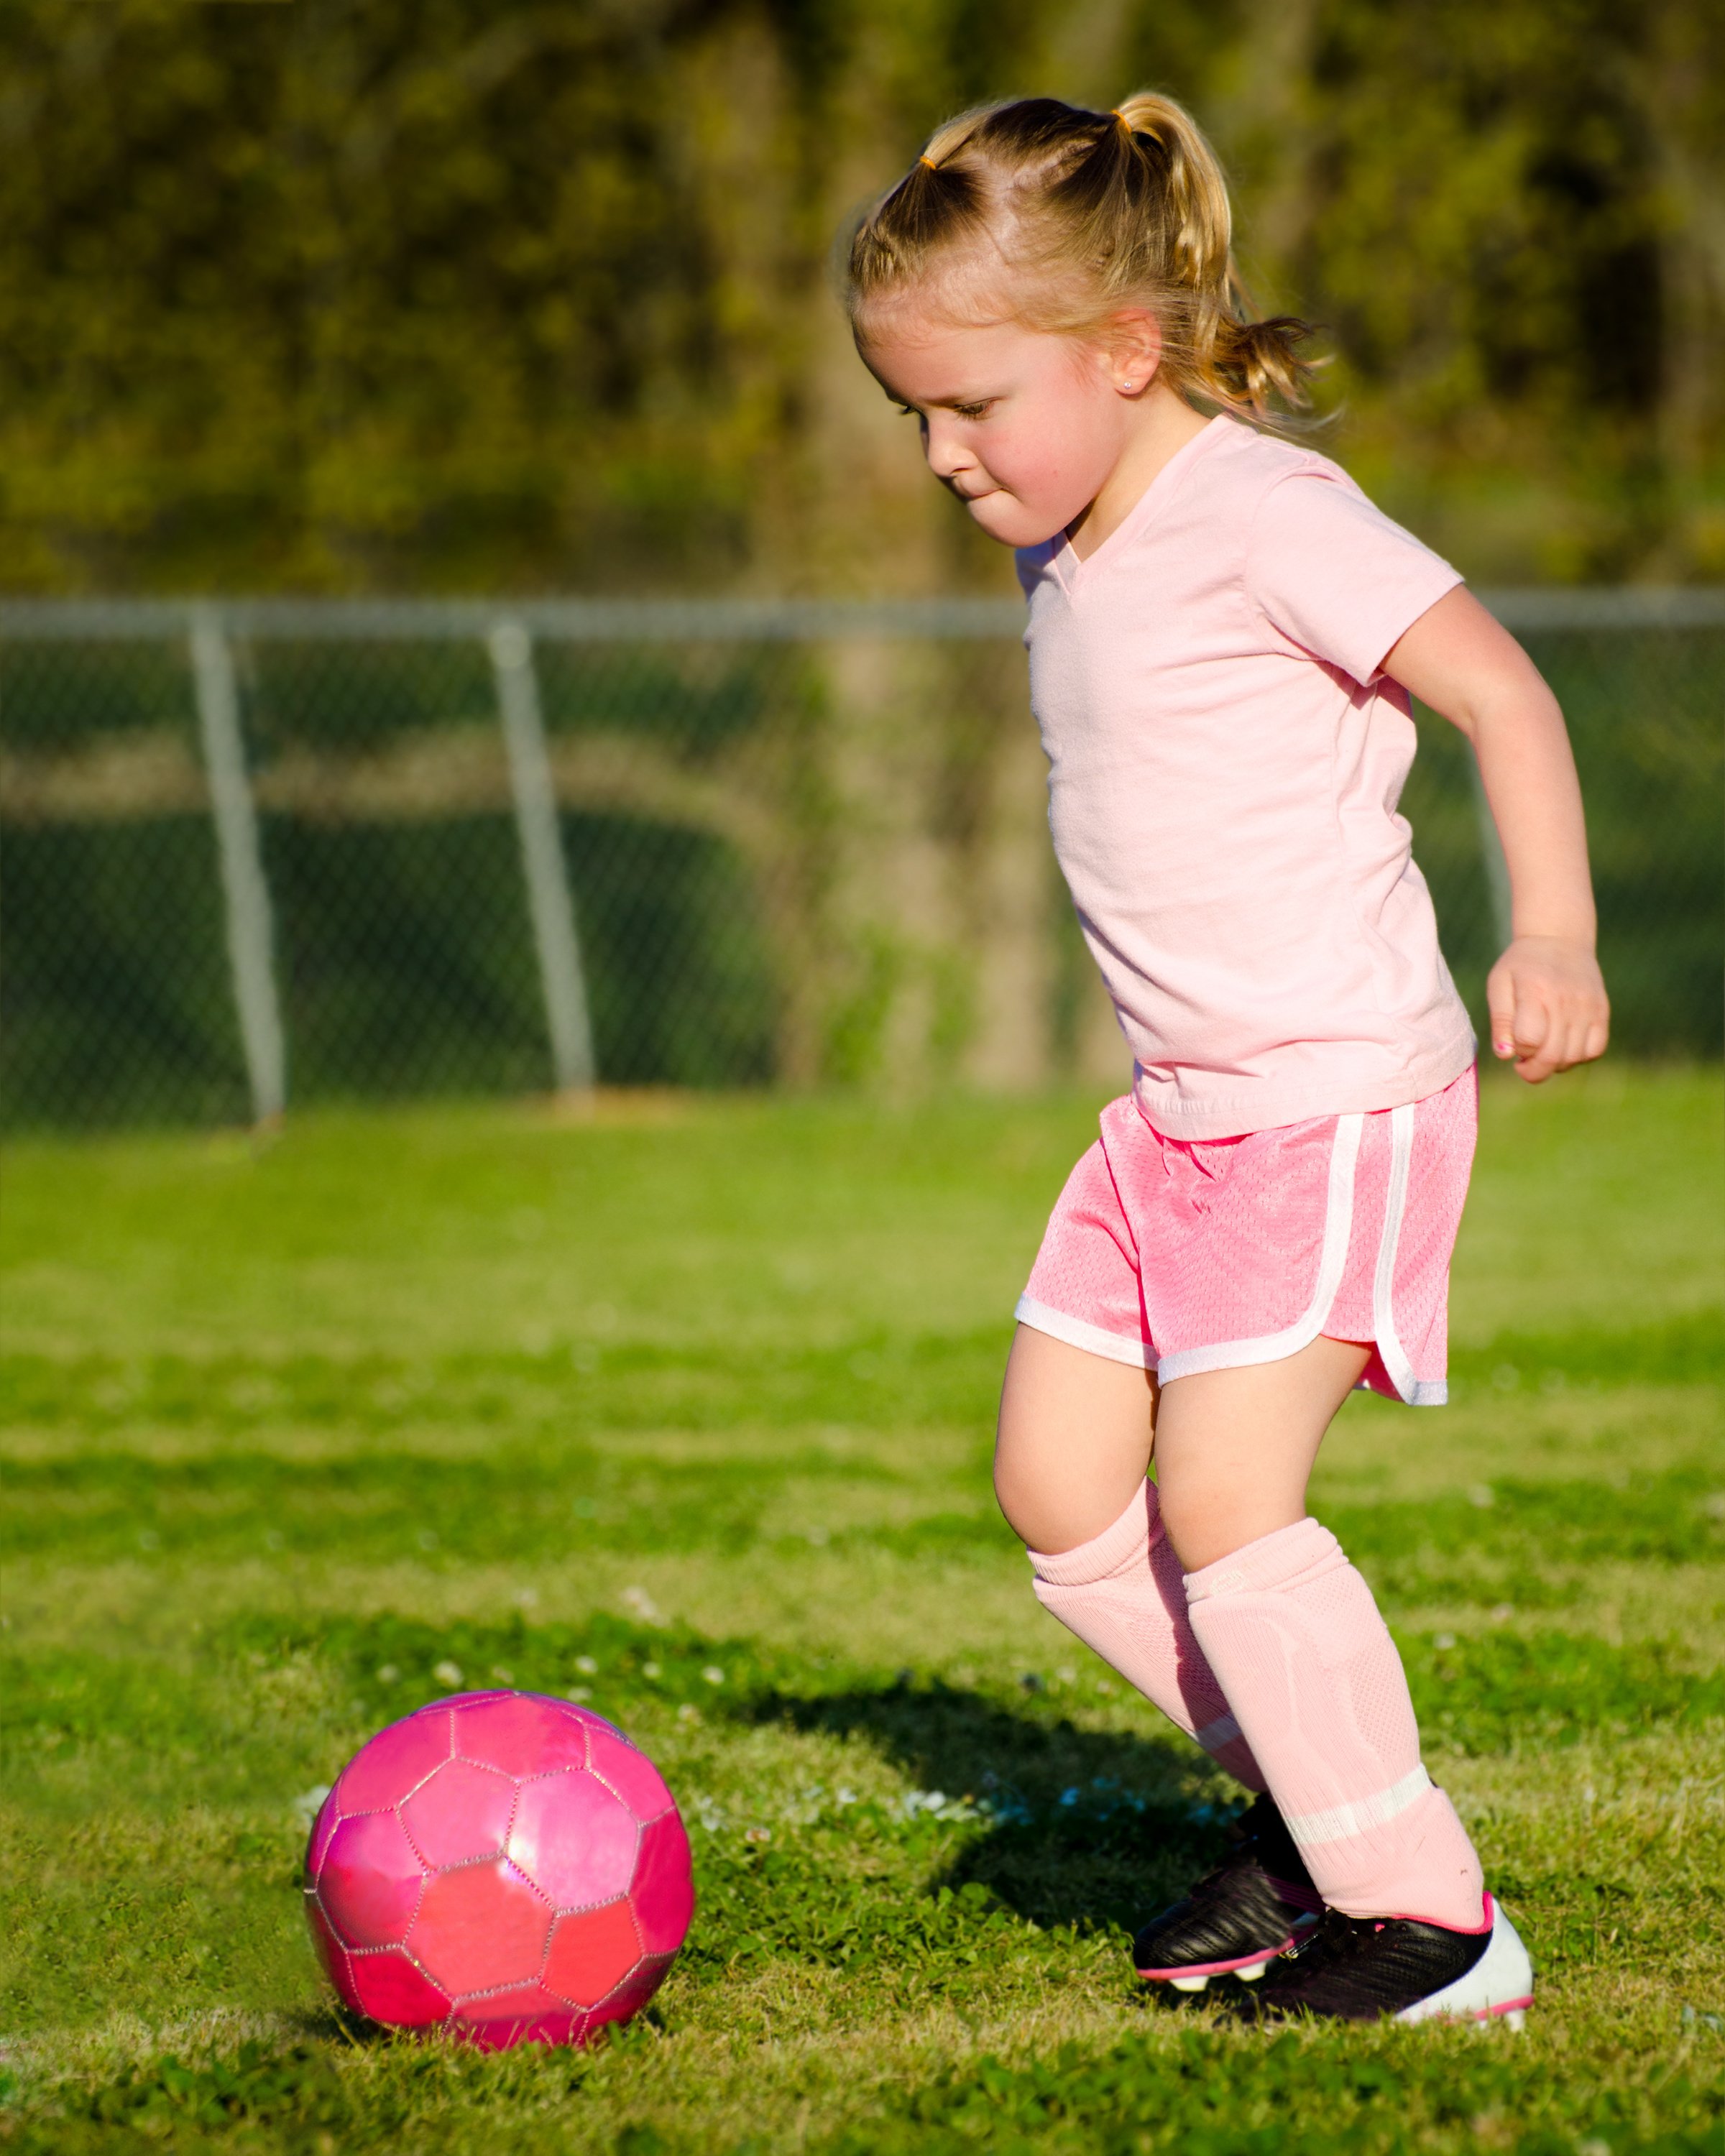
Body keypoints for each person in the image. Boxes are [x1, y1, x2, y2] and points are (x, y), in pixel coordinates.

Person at [845, 91, 1609, 2027]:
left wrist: (1555, 934)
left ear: (1122, 351)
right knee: (1057, 1494)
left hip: (1330, 1098)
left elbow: (1501, 690)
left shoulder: (1267, 512)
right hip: (1175, 1123)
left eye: (972, 409)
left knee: (1227, 1501)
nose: (942, 457)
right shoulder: (1064, 535)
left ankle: (1430, 1924)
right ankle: (1314, 1808)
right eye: (912, 416)